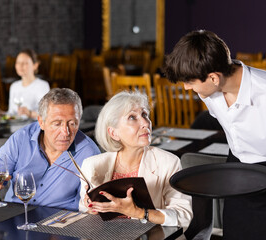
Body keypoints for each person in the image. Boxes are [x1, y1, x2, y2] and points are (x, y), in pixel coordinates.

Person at [164, 30, 266, 239]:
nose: (187, 88)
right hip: (239, 168)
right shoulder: (209, 92)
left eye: (190, 82)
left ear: (213, 77)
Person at [0, 88, 100, 210]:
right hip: (13, 217)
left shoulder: (89, 152)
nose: (65, 132)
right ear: (41, 122)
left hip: (60, 224)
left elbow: (91, 206)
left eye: (72, 124)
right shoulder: (21, 139)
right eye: (57, 124)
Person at [79, 91, 193, 227]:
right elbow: (84, 210)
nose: (145, 123)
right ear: (113, 133)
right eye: (132, 117)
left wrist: (140, 213)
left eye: (144, 114)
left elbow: (184, 216)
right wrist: (91, 208)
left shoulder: (169, 162)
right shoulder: (91, 165)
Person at [7, 49, 50, 119]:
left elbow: (47, 115)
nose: (20, 66)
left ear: (35, 65)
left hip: (34, 128)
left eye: (25, 63)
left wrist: (30, 113)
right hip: (16, 128)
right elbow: (10, 113)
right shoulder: (14, 86)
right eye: (18, 63)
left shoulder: (42, 86)